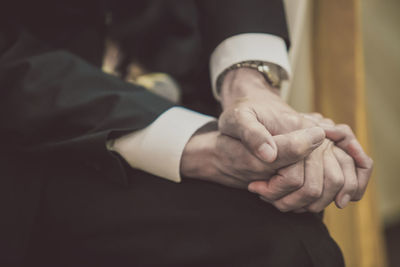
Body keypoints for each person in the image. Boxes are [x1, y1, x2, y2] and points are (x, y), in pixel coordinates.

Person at [0, 0, 372, 266]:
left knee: (294, 235)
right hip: (27, 146)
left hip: (185, 75)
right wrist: (198, 145)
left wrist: (251, 81)